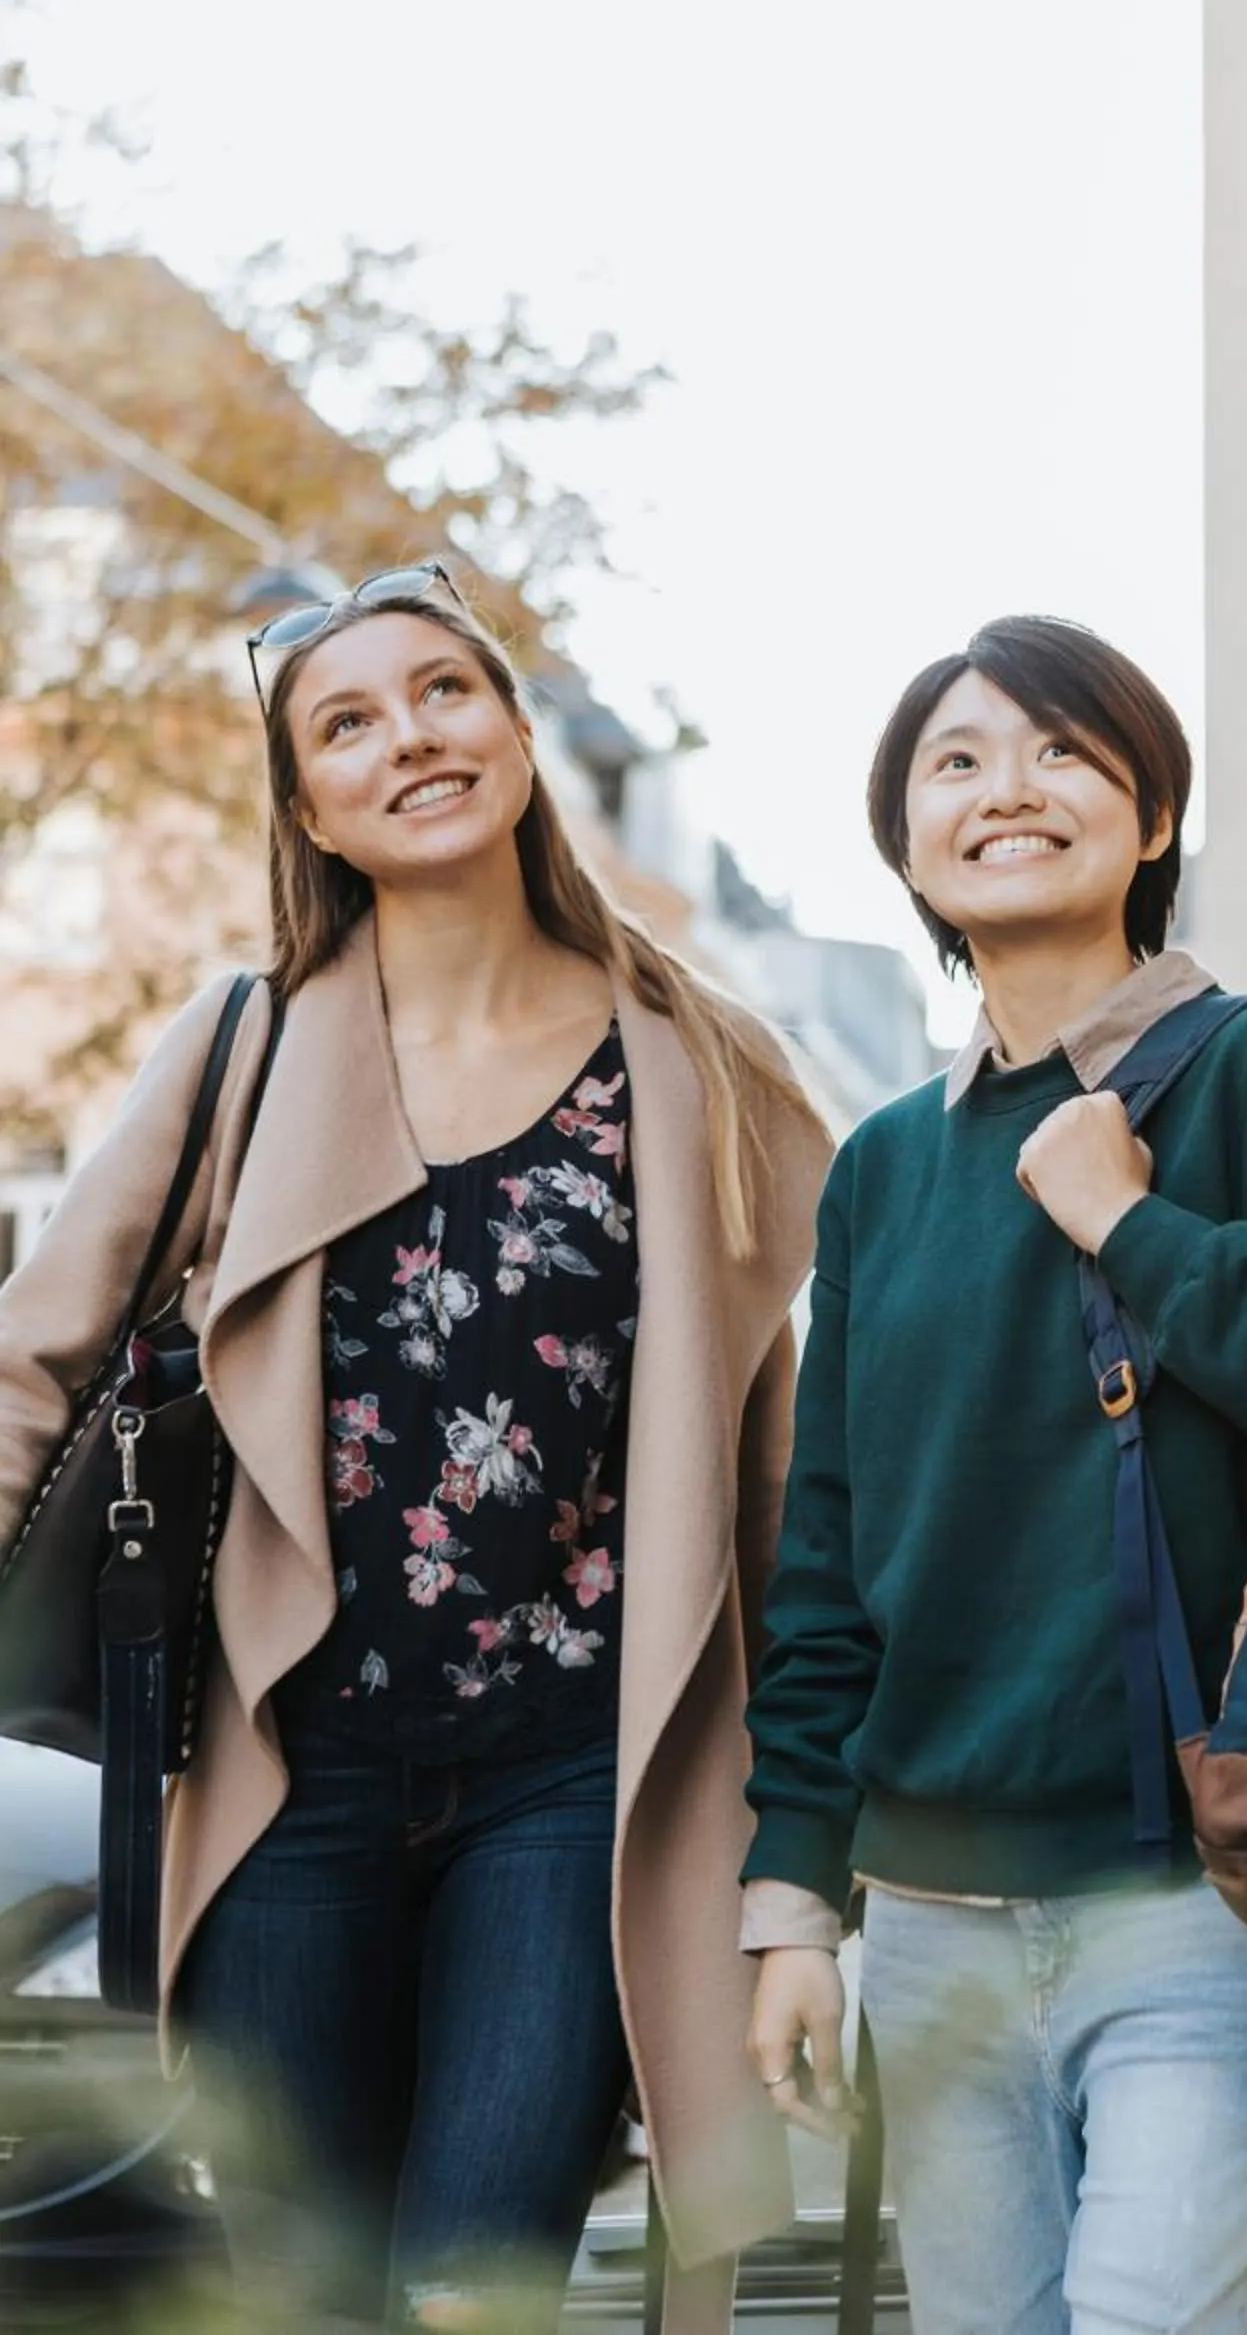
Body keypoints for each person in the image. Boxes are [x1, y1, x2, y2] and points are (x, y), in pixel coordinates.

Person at [0, 563, 830, 2335]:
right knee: (304, 2295)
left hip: (572, 1783)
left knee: (476, 2289)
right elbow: (31, 1358)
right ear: (308, 807)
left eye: (446, 692)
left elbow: (783, 1487)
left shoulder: (695, 1065)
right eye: (348, 723)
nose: (412, 740)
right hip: (288, 1774)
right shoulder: (242, 1049)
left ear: (519, 735)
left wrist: (803, 1854)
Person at [740, 615, 1247, 2335]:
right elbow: (832, 1557)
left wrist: (1132, 1227)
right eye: (957, 761)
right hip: (926, 1929)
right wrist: (793, 1902)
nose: (1008, 788)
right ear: (911, 846)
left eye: (1061, 750)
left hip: (1196, 1914)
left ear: (1150, 816)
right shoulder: (882, 1172)